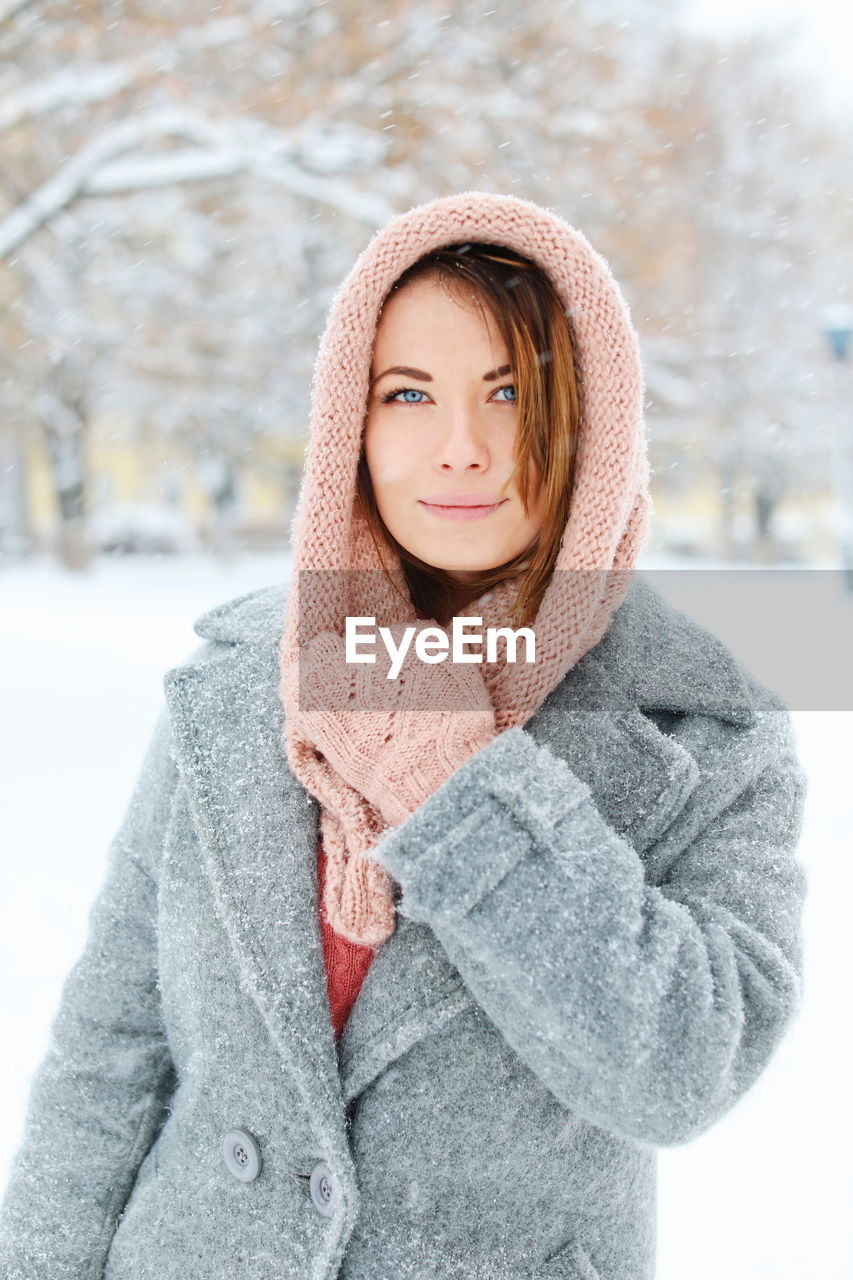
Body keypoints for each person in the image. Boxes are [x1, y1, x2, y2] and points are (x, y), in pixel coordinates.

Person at [0, 191, 808, 1280]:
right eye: (409, 392)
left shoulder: (701, 715)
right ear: (352, 419)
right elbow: (111, 1048)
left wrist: (460, 781)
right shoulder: (241, 677)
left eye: (510, 390)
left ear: (587, 417)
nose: (461, 447)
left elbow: (678, 1066)